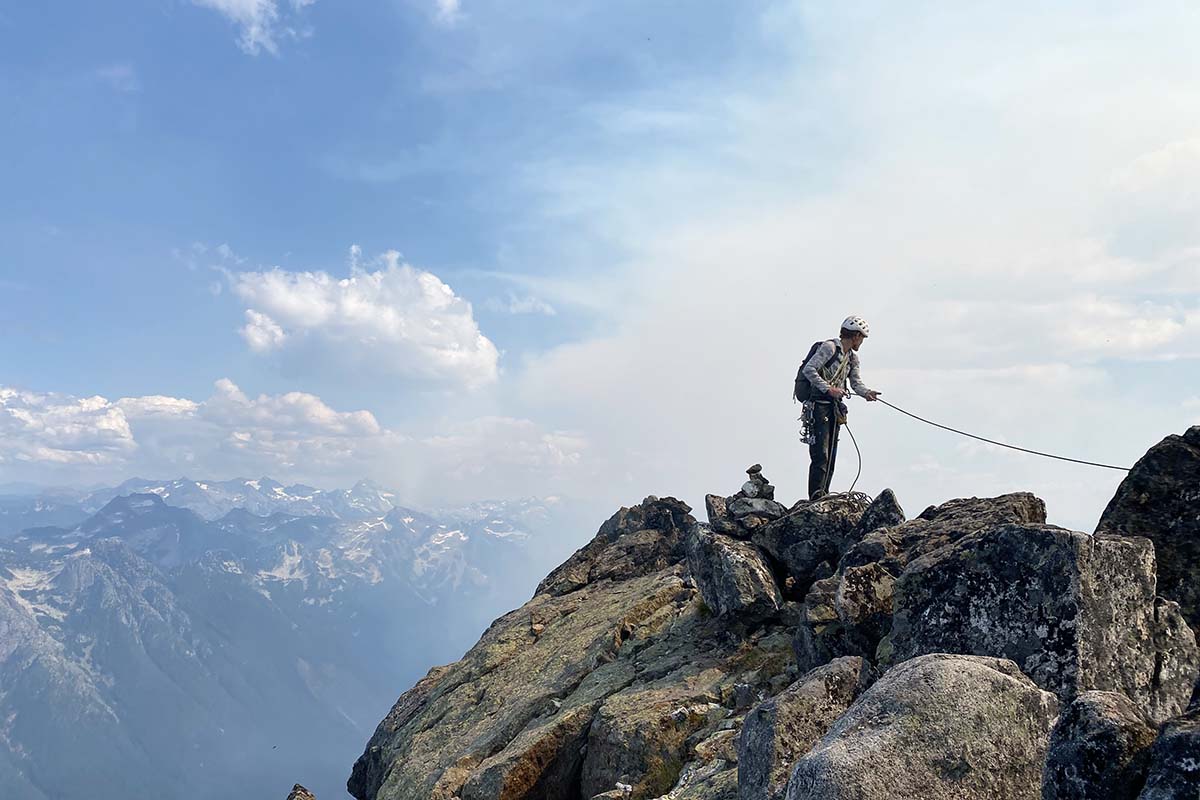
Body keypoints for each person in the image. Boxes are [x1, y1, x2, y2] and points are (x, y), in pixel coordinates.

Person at [800, 316, 881, 499]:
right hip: (818, 406)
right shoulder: (829, 348)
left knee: (831, 455)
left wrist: (866, 393)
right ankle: (815, 497)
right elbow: (809, 370)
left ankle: (824, 494)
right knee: (821, 454)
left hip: (834, 408)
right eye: (861, 338)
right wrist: (829, 389)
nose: (861, 342)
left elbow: (855, 382)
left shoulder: (852, 358)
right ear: (855, 336)